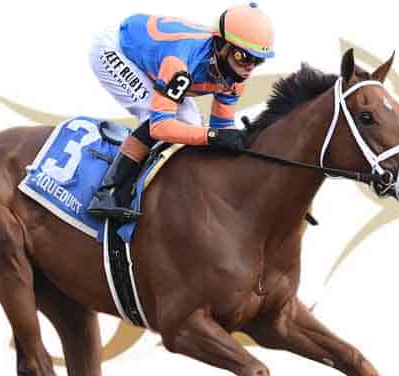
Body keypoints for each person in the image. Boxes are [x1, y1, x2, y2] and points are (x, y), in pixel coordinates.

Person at [87, 3, 275, 221]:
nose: (249, 67)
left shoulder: (236, 78)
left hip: (155, 58)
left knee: (192, 124)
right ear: (222, 46)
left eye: (257, 61)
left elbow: (221, 128)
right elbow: (160, 126)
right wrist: (213, 136)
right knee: (155, 118)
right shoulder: (181, 63)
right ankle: (108, 192)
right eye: (243, 56)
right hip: (115, 49)